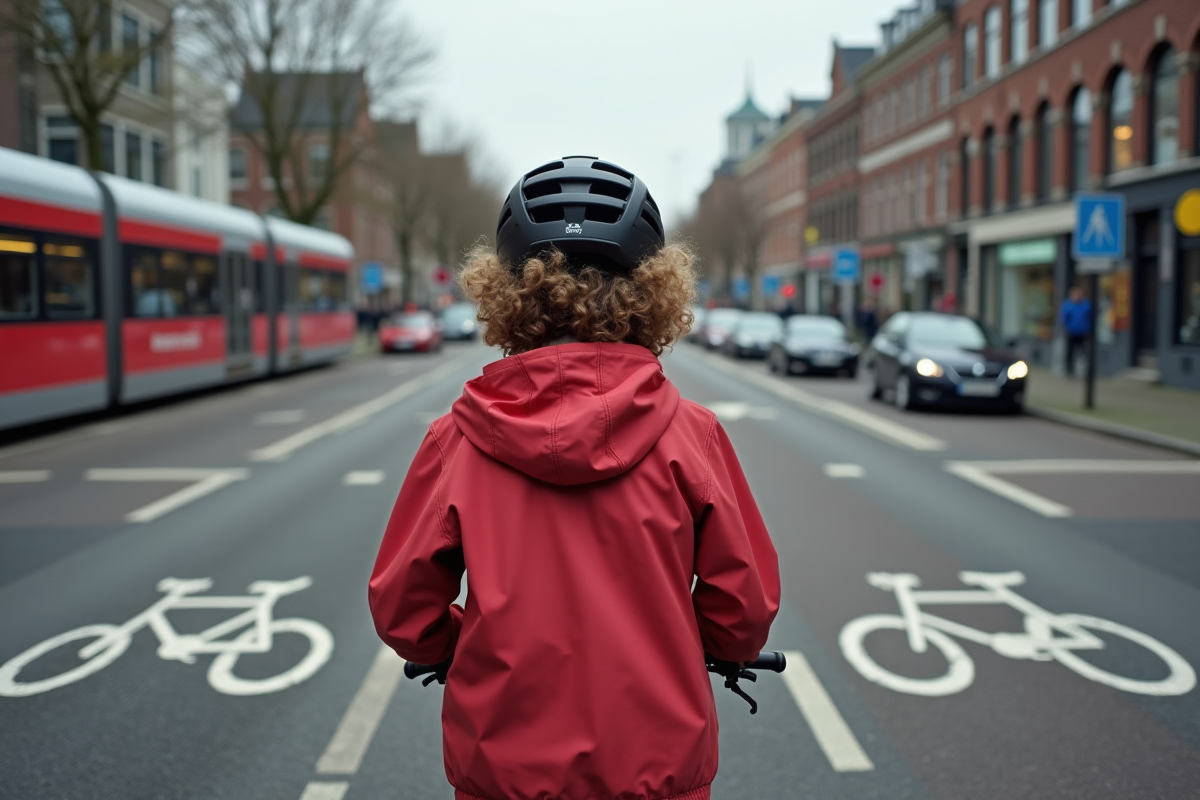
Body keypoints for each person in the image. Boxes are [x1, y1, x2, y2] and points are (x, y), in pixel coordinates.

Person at [368, 156, 780, 800]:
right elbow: (744, 606)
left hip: (503, 769)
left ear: (504, 295)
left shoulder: (456, 441)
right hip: (655, 762)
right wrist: (700, 644)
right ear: (655, 292)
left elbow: (402, 608)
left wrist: (452, 646)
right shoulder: (692, 435)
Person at [1060, 285, 1093, 377]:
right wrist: (1067, 327)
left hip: (1083, 333)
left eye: (1078, 294)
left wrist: (1089, 329)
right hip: (1071, 333)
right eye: (1075, 294)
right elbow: (1064, 318)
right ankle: (1069, 370)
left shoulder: (1086, 305)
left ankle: (1085, 371)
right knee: (1070, 352)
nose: (1077, 296)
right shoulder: (1068, 305)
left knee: (1084, 353)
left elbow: (1091, 318)